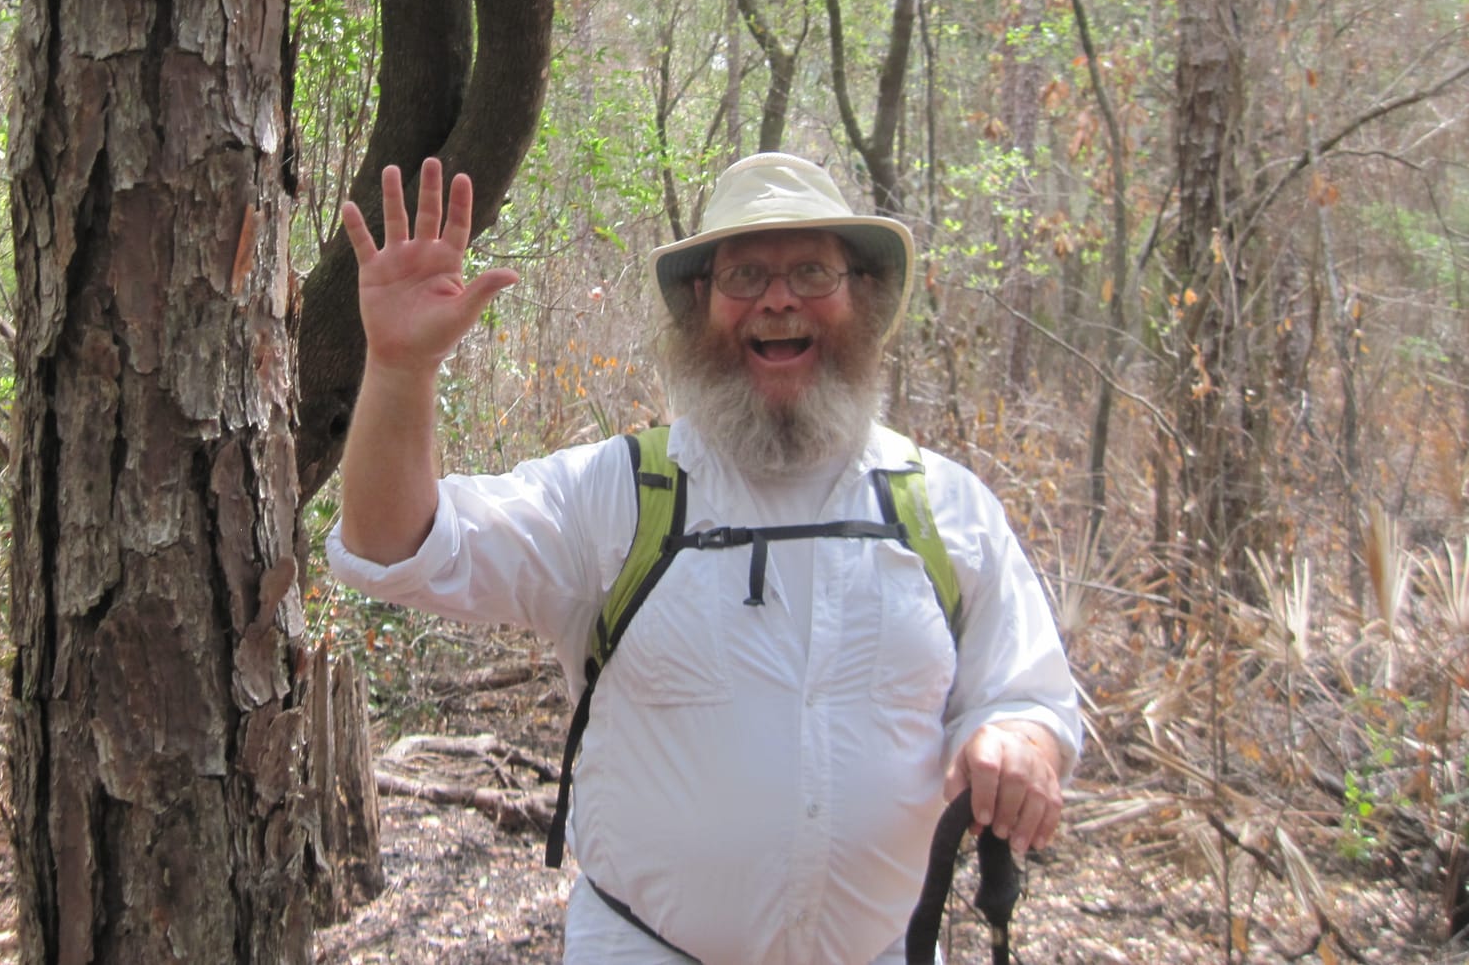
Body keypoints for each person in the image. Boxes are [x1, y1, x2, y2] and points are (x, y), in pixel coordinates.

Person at [327, 152, 1081, 964]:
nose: (779, 298)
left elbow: (1025, 693)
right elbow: (397, 545)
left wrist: (1018, 741)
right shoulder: (618, 494)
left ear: (861, 296)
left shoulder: (944, 506)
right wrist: (400, 370)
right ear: (701, 304)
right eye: (746, 274)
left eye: (812, 272)